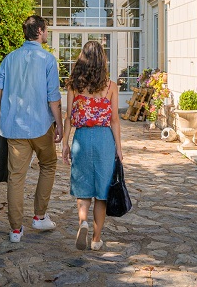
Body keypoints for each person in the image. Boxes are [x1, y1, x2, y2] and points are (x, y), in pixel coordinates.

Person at [0, 15, 63, 243]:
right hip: (42, 126)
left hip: (14, 128)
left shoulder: (9, 58)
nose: (47, 33)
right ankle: (39, 216)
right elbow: (53, 98)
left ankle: (15, 231)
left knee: (16, 177)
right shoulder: (48, 60)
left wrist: (6, 113)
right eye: (46, 30)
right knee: (49, 164)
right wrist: (59, 125)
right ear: (40, 31)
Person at [61, 41, 123, 251]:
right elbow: (115, 120)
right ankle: (96, 239)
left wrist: (65, 144)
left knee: (83, 187)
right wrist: (119, 148)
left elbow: (69, 117)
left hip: (82, 139)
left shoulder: (73, 86)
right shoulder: (111, 86)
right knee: (102, 191)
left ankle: (83, 223)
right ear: (102, 60)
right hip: (104, 139)